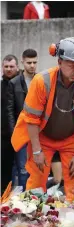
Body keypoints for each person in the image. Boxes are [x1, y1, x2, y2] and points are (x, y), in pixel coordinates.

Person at [11, 37, 74, 201]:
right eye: (72, 66)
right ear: (59, 62)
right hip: (43, 136)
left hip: (72, 137)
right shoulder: (42, 81)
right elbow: (31, 119)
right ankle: (32, 217)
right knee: (36, 182)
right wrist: (36, 150)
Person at [7, 49, 38, 190]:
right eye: (29, 62)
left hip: (39, 131)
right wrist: (14, 131)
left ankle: (35, 197)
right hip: (22, 130)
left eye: (34, 62)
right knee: (22, 169)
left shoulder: (41, 80)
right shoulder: (14, 83)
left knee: (37, 167)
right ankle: (25, 200)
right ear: (22, 62)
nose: (32, 65)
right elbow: (10, 110)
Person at [1, 54, 19, 193]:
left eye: (11, 66)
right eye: (6, 66)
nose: (8, 69)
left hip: (21, 134)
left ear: (17, 67)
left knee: (23, 171)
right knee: (5, 171)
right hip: (4, 137)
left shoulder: (22, 84)